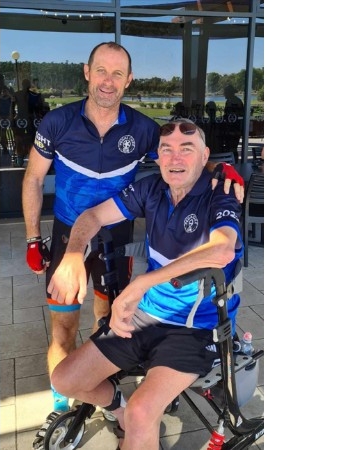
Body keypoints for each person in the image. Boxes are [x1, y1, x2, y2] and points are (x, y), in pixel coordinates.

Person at [22, 42, 245, 417]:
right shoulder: (57, 122)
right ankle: (63, 405)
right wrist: (33, 238)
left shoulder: (142, 128)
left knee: (108, 315)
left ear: (128, 80)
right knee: (63, 322)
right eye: (101, 71)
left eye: (117, 73)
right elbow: (33, 179)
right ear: (87, 72)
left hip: (115, 234)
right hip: (68, 232)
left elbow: (180, 155)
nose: (107, 81)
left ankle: (107, 393)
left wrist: (220, 171)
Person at [49, 118, 243, 450]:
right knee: (65, 379)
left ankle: (135, 420)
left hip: (197, 327)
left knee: (143, 413)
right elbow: (93, 216)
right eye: (166, 149)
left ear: (204, 155)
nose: (175, 158)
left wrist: (141, 283)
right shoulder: (151, 188)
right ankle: (120, 412)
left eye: (187, 149)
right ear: (157, 156)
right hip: (145, 316)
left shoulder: (219, 194)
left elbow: (222, 249)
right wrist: (73, 254)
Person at [12, 78, 46, 167]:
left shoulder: (18, 94)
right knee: (28, 139)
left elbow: (12, 108)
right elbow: (40, 107)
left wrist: (13, 117)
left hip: (23, 119)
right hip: (28, 119)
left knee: (22, 139)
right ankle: (25, 159)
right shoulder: (33, 95)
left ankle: (21, 160)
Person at [0, 74, 14, 156]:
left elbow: (13, 99)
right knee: (2, 133)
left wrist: (8, 94)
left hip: (8, 114)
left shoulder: (8, 89)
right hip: (0, 115)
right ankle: (4, 147)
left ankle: (7, 148)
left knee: (6, 132)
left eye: (2, 79)